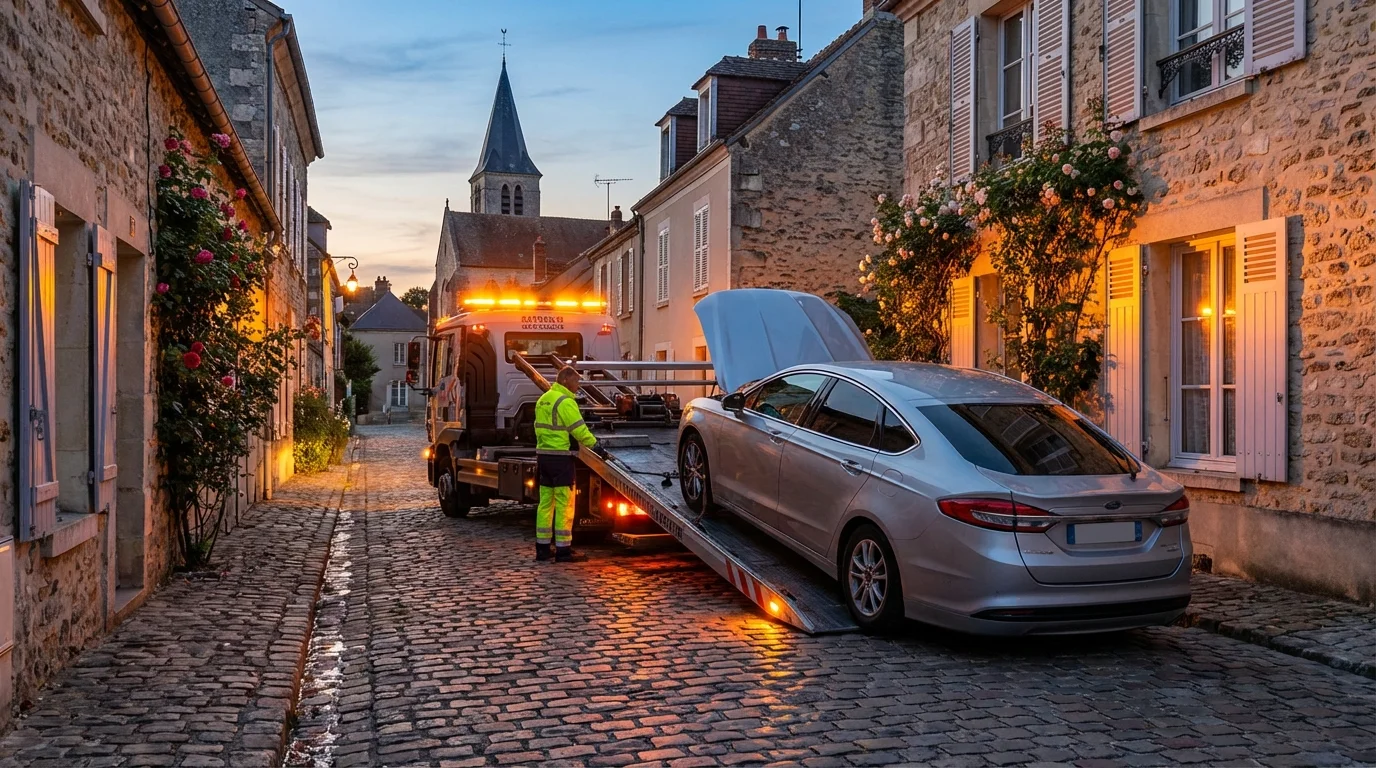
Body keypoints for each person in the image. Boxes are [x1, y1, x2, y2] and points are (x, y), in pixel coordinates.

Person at [533, 367, 609, 562]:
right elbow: (579, 430)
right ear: (566, 381)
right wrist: (596, 447)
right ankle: (563, 551)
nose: (578, 387)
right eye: (576, 382)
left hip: (544, 457)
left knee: (545, 504)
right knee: (565, 504)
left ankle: (542, 549)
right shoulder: (565, 402)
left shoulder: (544, 399)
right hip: (561, 459)